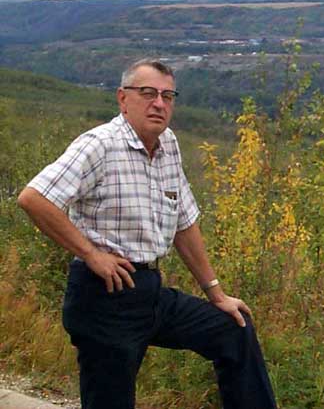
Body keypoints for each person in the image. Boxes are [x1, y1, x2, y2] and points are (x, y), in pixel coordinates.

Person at [17, 59, 277, 409]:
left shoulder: (167, 144)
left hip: (150, 292)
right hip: (104, 297)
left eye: (168, 95)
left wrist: (215, 293)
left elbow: (184, 222)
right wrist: (92, 255)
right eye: (148, 93)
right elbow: (34, 198)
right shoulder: (100, 145)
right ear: (123, 99)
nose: (159, 103)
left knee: (234, 328)